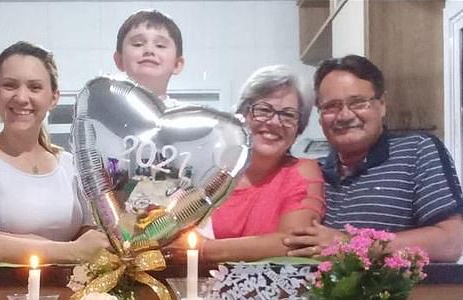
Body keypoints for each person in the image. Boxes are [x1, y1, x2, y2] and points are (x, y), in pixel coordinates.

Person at [284, 55, 463, 262]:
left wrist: (351, 245)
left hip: (402, 294)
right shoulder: (315, 171)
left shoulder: (417, 151)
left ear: (382, 104)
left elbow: (452, 242)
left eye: (358, 103)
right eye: (331, 106)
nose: (344, 115)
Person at [0, 42, 109, 265]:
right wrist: (71, 251)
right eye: (10, 86)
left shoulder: (70, 165)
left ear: (54, 97)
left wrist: (6, 241)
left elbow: (93, 238)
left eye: (35, 87)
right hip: (0, 293)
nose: (21, 97)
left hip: (70, 293)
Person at [196, 65, 324, 262]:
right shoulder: (207, 172)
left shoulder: (302, 171)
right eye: (263, 110)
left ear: (299, 128)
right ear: (242, 116)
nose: (274, 122)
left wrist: (205, 249)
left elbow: (295, 242)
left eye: (288, 115)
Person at [113, 9, 184, 99]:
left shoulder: (187, 113)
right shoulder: (103, 111)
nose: (149, 50)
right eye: (137, 44)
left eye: (160, 46)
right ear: (119, 60)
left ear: (177, 64)